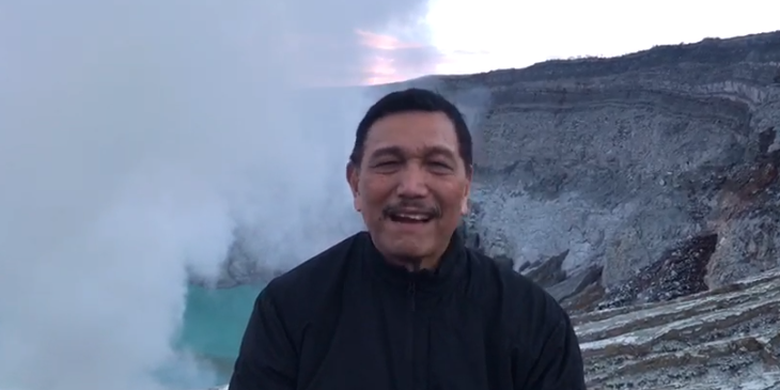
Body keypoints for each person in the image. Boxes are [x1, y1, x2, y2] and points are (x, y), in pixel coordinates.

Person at [228, 88, 586, 390]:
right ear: (355, 184)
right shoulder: (289, 310)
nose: (412, 187)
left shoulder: (536, 322)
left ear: (465, 189)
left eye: (437, 164)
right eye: (388, 163)